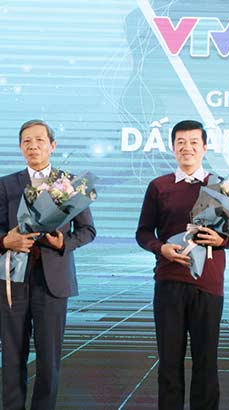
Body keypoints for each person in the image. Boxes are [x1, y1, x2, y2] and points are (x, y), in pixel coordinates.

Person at [136, 120, 229, 410]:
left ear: (205, 147)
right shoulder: (159, 186)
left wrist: (221, 241)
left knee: (206, 364)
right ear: (172, 147)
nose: (187, 148)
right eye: (181, 142)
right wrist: (161, 248)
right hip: (169, 281)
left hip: (208, 284)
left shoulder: (222, 186)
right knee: (169, 364)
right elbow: (143, 232)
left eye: (194, 142)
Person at [0, 119, 96, 410]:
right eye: (27, 141)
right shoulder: (6, 184)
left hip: (53, 282)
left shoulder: (70, 184)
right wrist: (6, 241)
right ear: (20, 147)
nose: (33, 146)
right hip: (12, 281)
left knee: (49, 360)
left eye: (39, 140)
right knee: (12, 358)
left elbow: (87, 231)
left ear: (52, 145)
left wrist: (63, 243)